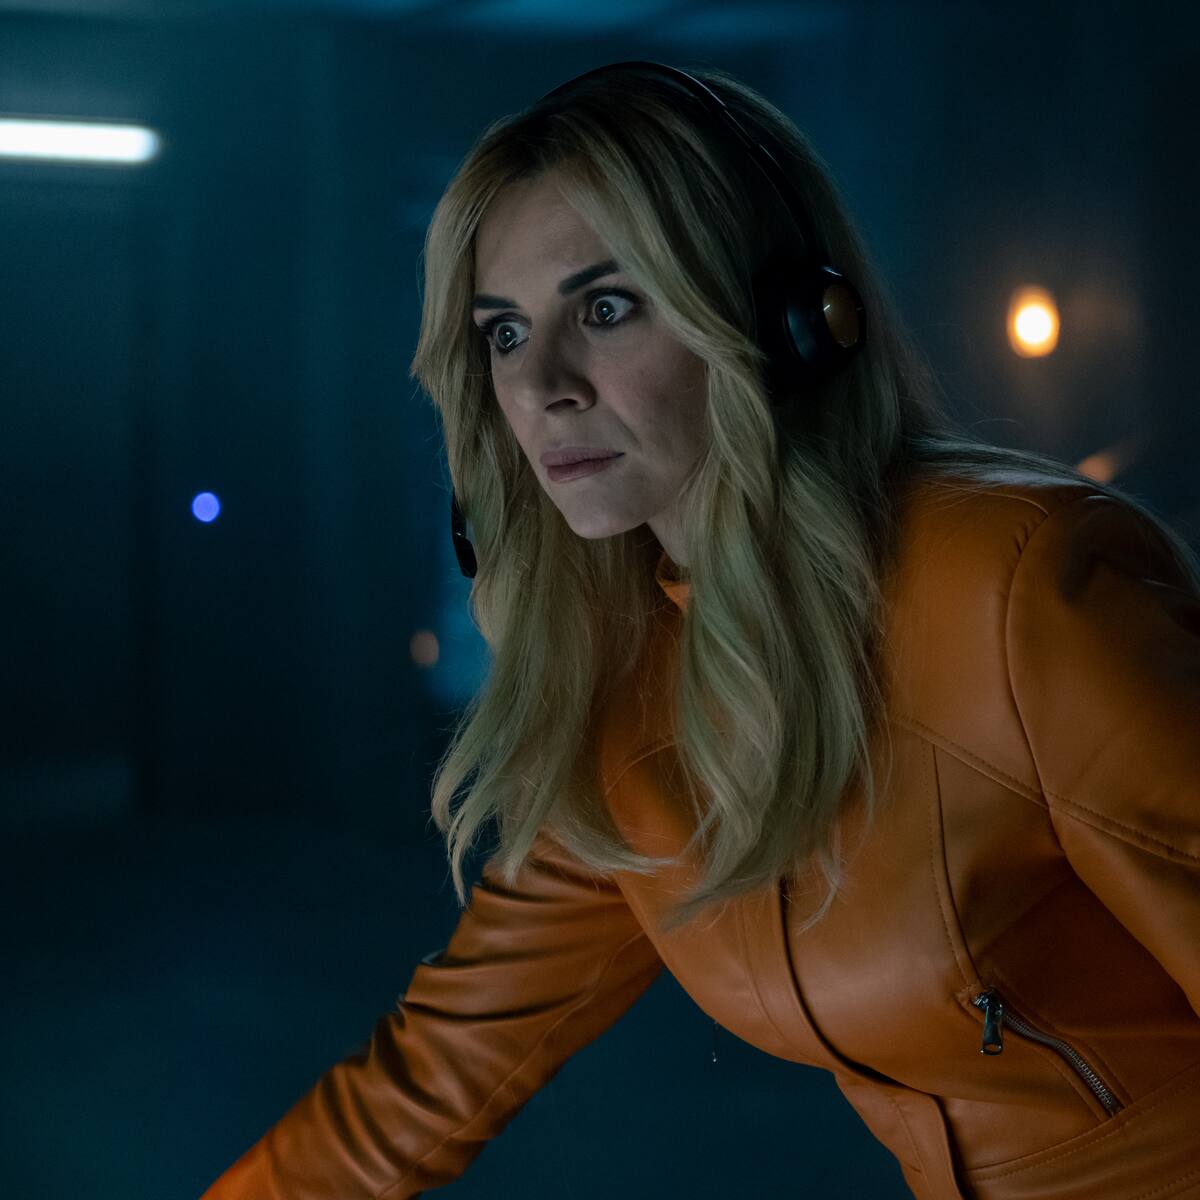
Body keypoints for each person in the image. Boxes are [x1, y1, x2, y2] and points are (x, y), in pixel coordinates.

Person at [200, 61, 1200, 1200]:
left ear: (790, 325)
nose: (542, 386)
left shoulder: (1016, 591)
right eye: (505, 333)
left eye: (606, 308)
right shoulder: (626, 691)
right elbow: (432, 1077)